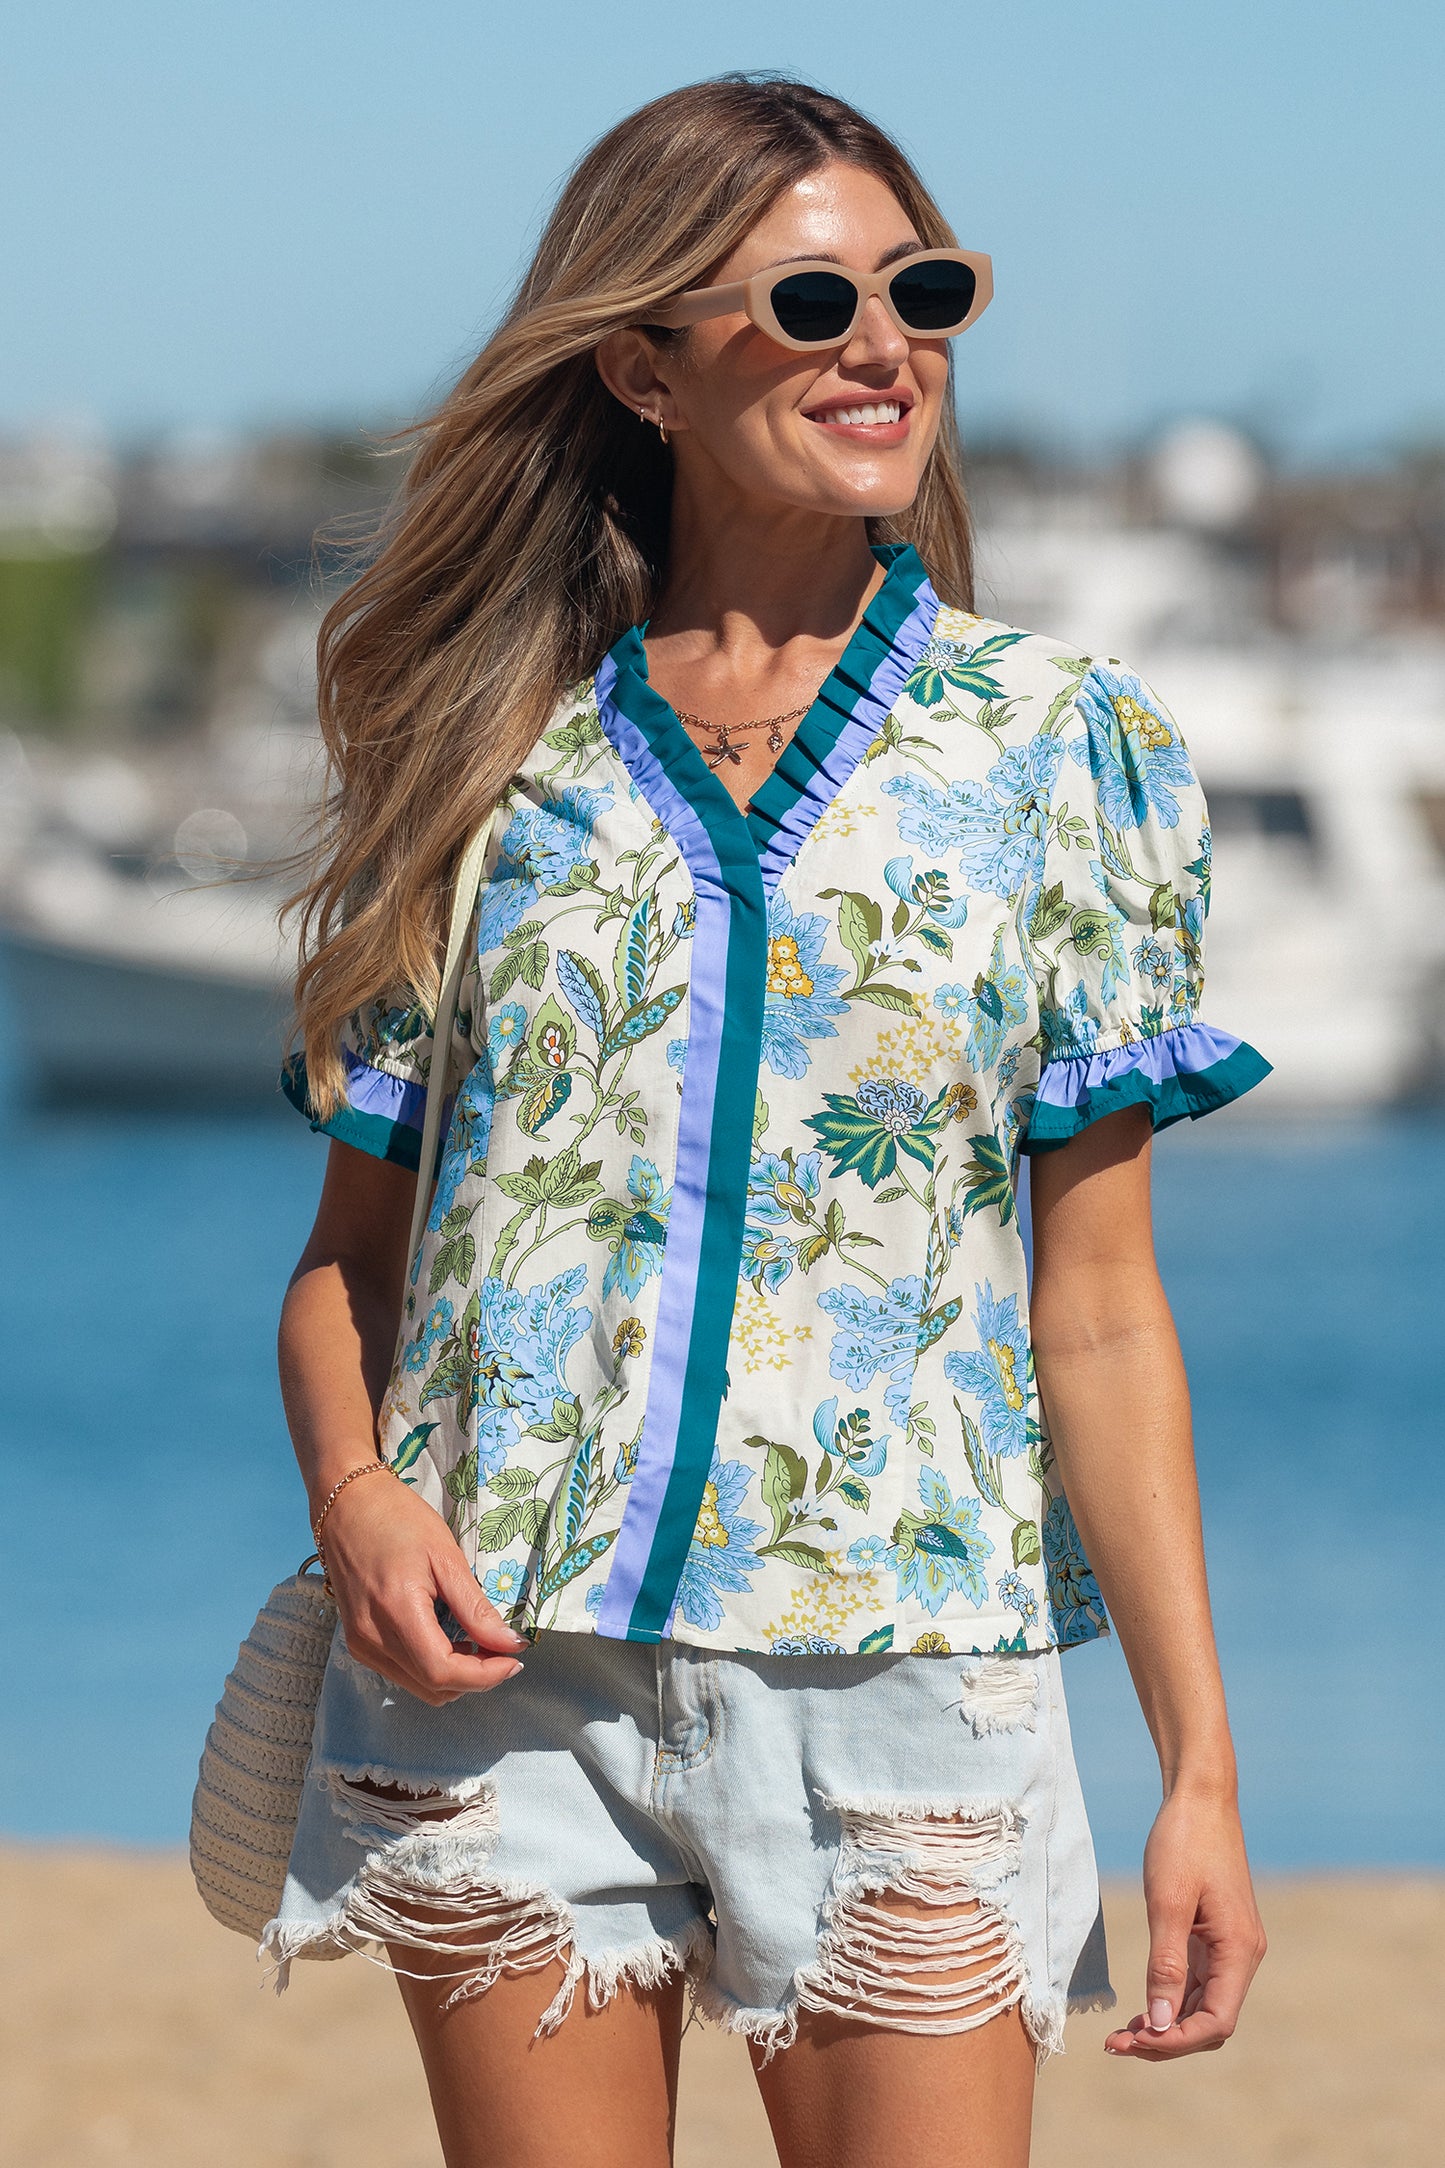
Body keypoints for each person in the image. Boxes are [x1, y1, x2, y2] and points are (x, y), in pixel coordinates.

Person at [269, 73, 1271, 2168]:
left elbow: (1097, 1308)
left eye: (920, 288)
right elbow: (351, 1266)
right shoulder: (485, 761)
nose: (883, 342)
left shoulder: (1060, 752)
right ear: (641, 359)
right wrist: (360, 1498)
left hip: (909, 1684)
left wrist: (1197, 1763)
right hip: (500, 1691)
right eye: (810, 297)